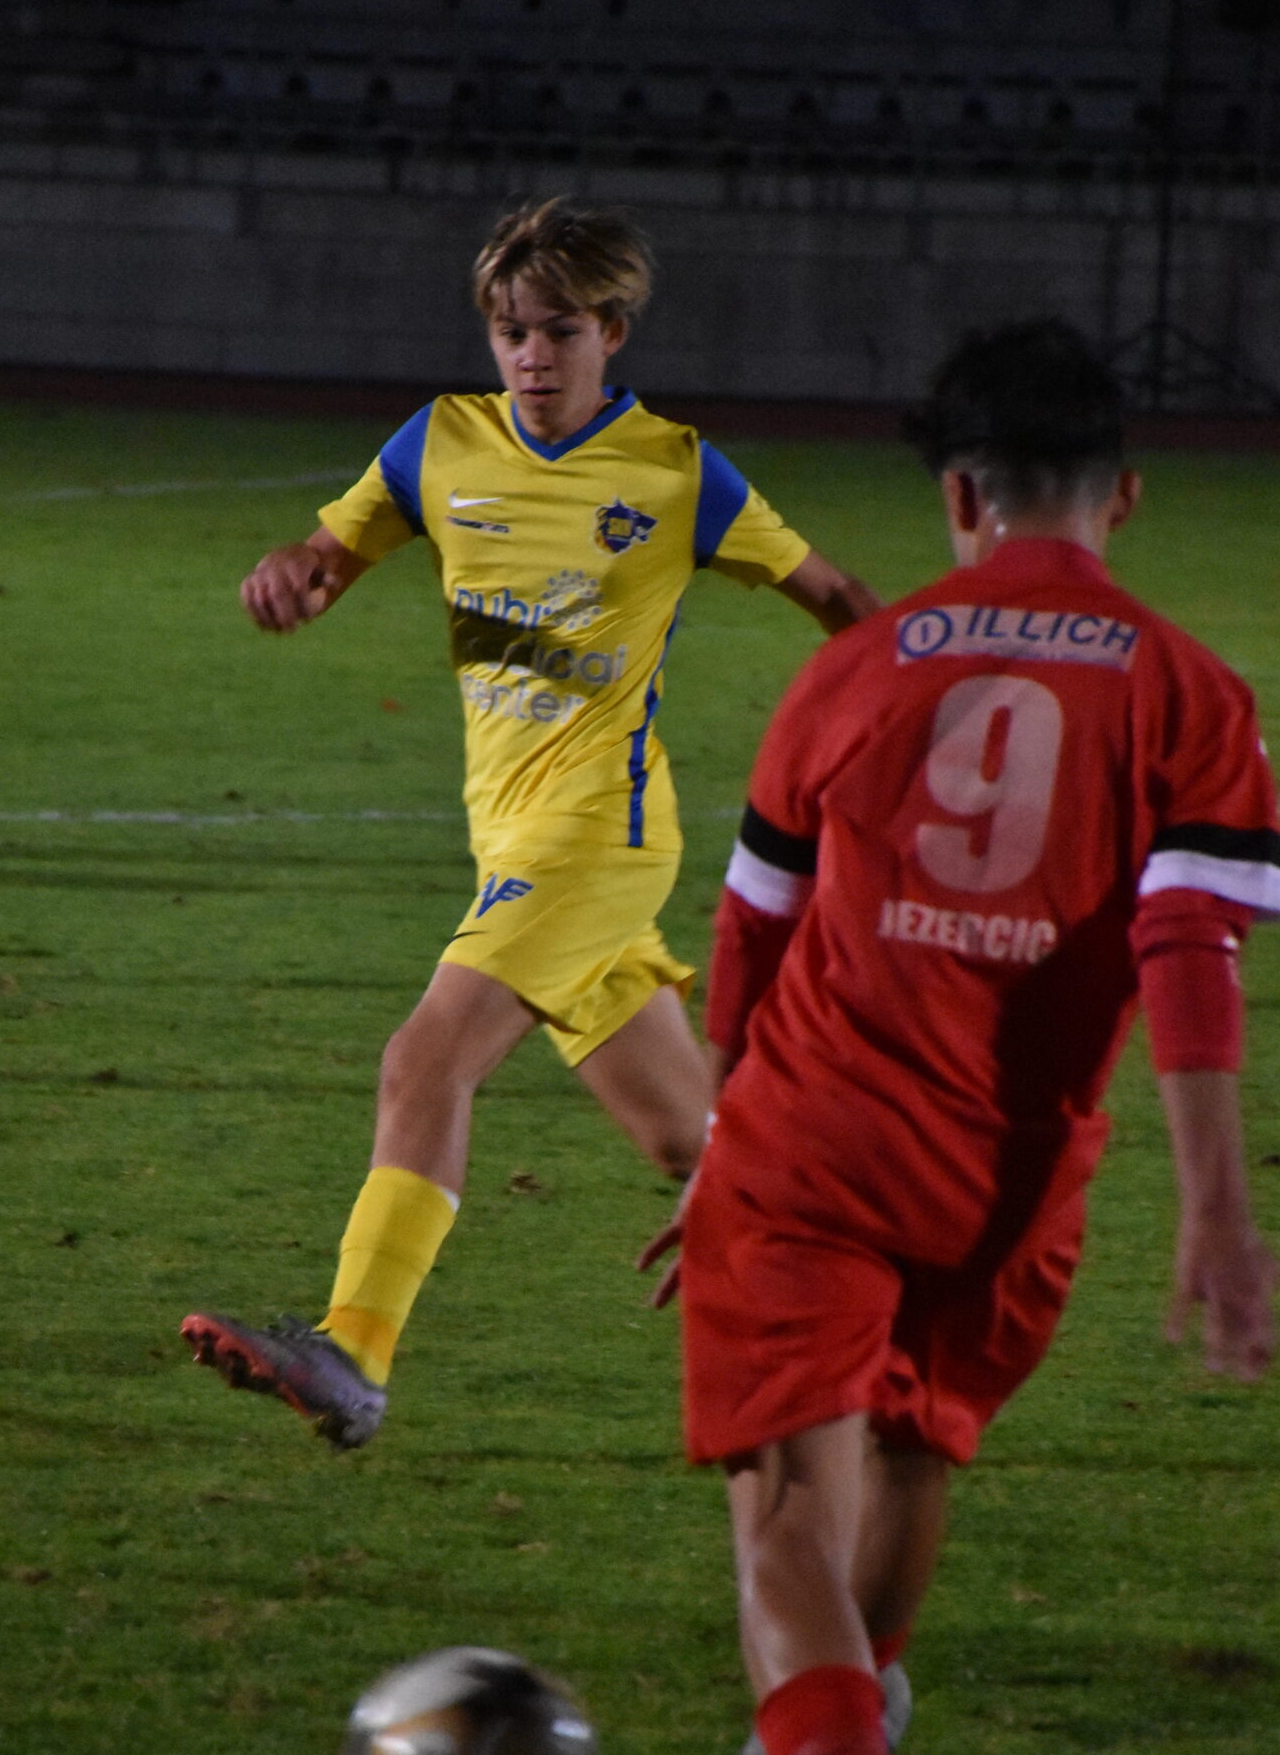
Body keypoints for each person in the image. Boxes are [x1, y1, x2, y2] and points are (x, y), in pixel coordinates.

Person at [652, 320, 1280, 1755]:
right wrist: (1215, 1210)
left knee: (786, 1512)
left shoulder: (854, 667)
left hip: (815, 1138)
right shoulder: (1185, 689)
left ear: (955, 497)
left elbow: (751, 936)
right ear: (1122, 497)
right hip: (1012, 1181)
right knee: (915, 1452)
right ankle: (823, 1738)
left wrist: (720, 1151)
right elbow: (1187, 948)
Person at [182, 197, 877, 1449]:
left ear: (614, 333)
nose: (533, 357)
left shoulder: (676, 473)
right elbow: (326, 558)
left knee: (425, 1059)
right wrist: (289, 574)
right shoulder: (438, 445)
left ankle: (354, 1352)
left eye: (560, 331)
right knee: (693, 1144)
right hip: (510, 840)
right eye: (512, 332)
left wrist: (906, 715)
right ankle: (873, 1282)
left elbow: (835, 595)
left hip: (598, 838)